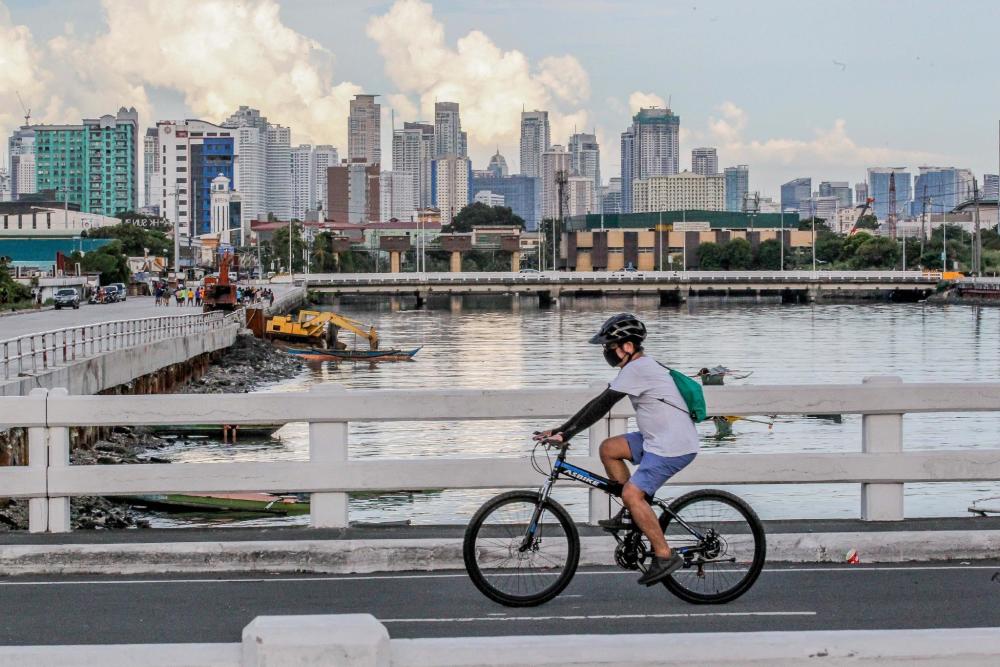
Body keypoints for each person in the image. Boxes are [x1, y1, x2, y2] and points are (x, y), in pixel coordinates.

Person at [533, 313, 699, 587]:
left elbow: (602, 405)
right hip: (656, 439)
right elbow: (598, 402)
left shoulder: (638, 368)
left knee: (633, 493)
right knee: (609, 448)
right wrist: (561, 430)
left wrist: (567, 432)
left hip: (672, 446)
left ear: (628, 347)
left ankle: (664, 554)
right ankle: (632, 511)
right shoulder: (635, 368)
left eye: (609, 347)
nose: (606, 352)